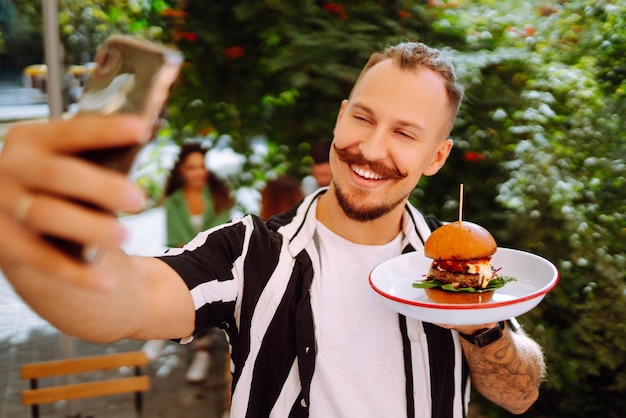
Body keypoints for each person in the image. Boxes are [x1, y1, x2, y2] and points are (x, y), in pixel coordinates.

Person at [0, 41, 545, 417]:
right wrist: (40, 251)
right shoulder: (248, 253)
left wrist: (484, 328)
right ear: (339, 115)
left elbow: (519, 395)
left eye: (405, 133)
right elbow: (125, 301)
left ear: (436, 156)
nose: (372, 149)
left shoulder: (454, 267)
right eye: (362, 117)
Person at [155, 142, 234, 383]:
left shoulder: (219, 196)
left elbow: (221, 235)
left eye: (201, 166)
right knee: (169, 275)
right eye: (191, 167)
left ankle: (199, 348)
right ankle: (165, 331)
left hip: (217, 261)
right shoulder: (174, 202)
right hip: (186, 259)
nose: (198, 172)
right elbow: (175, 240)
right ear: (182, 171)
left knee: (200, 284)